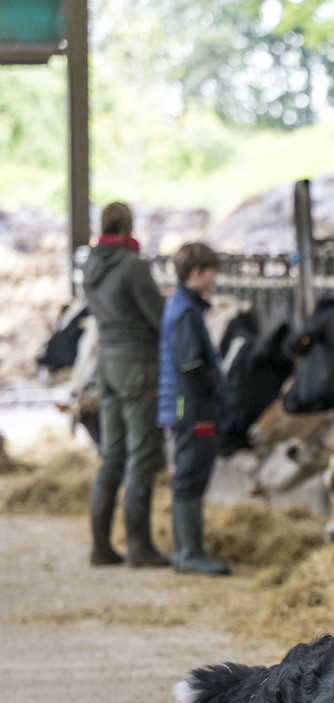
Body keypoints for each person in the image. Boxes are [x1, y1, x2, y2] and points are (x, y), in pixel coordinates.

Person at [81, 202, 168, 567]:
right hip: (138, 365)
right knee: (142, 454)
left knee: (112, 455)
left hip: (107, 364)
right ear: (129, 226)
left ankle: (101, 546)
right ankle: (139, 547)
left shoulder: (90, 266)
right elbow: (158, 317)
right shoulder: (133, 266)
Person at [157, 242, 230, 576]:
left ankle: (190, 549)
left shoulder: (184, 306)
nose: (214, 279)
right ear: (196, 272)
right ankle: (188, 553)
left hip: (186, 405)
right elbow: (190, 364)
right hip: (192, 408)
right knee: (189, 477)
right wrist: (214, 394)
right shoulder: (186, 311)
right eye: (211, 271)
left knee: (189, 477)